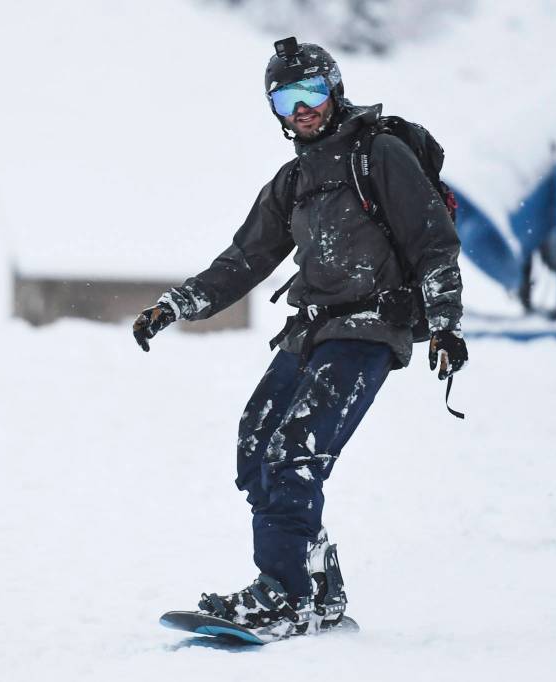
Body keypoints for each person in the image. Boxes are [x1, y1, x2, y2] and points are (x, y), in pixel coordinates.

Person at [133, 37, 467, 639]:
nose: (302, 108)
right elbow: (244, 258)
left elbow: (432, 240)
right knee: (256, 443)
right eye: (286, 99)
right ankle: (314, 586)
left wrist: (444, 323)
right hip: (312, 329)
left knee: (295, 450)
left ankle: (280, 596)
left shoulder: (380, 153)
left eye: (311, 93)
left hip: (369, 327)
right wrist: (175, 304)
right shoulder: (293, 180)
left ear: (334, 91)